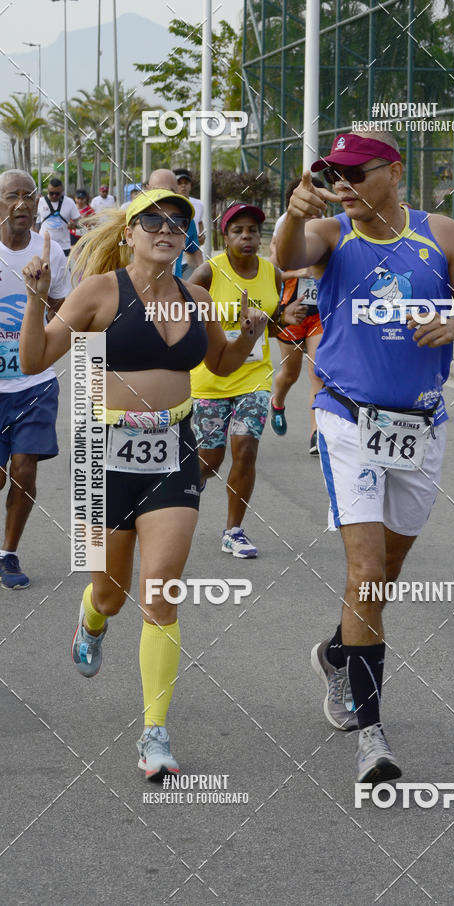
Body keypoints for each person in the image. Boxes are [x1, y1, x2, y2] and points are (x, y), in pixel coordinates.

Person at [20, 188, 267, 780]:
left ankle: (154, 733)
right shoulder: (98, 292)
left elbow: (221, 365)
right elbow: (35, 359)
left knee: (161, 594)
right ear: (129, 233)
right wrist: (34, 299)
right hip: (103, 457)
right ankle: (93, 618)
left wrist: (249, 335)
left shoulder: (198, 298)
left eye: (177, 222)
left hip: (173, 454)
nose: (165, 228)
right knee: (111, 593)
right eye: (152, 220)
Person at [276, 129, 454, 783]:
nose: (342, 186)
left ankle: (338, 652)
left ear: (393, 172)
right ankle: (372, 734)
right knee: (366, 572)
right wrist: (292, 215)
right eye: (333, 176)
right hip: (348, 420)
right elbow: (290, 255)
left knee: (385, 576)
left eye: (355, 173)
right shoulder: (331, 235)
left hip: (421, 426)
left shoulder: (441, 234)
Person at [189, 202, 303, 558]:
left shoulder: (273, 274)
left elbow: (274, 324)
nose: (247, 237)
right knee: (210, 460)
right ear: (225, 237)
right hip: (210, 378)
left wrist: (285, 318)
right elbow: (182, 316)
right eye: (237, 231)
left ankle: (234, 531)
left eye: (252, 230)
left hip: (254, 378)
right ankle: (190, 482)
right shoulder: (208, 273)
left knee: (246, 449)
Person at [0, 169, 70, 588]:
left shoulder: (51, 252)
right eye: (13, 196)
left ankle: (8, 553)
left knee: (24, 470)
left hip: (34, 383)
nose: (22, 204)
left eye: (29, 196)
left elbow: (64, 310)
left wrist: (40, 299)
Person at [269, 177, 325, 455]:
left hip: (318, 312)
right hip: (292, 309)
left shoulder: (329, 227)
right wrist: (300, 272)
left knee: (317, 371)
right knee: (290, 373)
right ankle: (277, 401)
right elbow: (272, 268)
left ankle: (316, 433)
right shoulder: (285, 227)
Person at [147, 170, 203, 277]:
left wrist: (204, 278)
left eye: (171, 190)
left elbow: (194, 251)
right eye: (159, 190)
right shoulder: (135, 218)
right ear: (148, 189)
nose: (165, 195)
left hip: (175, 283)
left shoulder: (185, 221)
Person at [36, 177, 80, 257]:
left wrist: (74, 225)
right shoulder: (40, 202)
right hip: (44, 244)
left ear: (62, 191)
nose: (54, 196)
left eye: (57, 193)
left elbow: (79, 221)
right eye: (51, 193)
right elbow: (35, 222)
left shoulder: (69, 202)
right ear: (48, 191)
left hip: (64, 246)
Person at [173, 167, 205, 244]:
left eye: (186, 183)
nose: (183, 186)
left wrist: (202, 236)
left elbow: (200, 222)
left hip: (193, 248)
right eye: (179, 183)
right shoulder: (169, 205)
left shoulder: (199, 204)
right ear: (174, 186)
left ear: (190, 185)